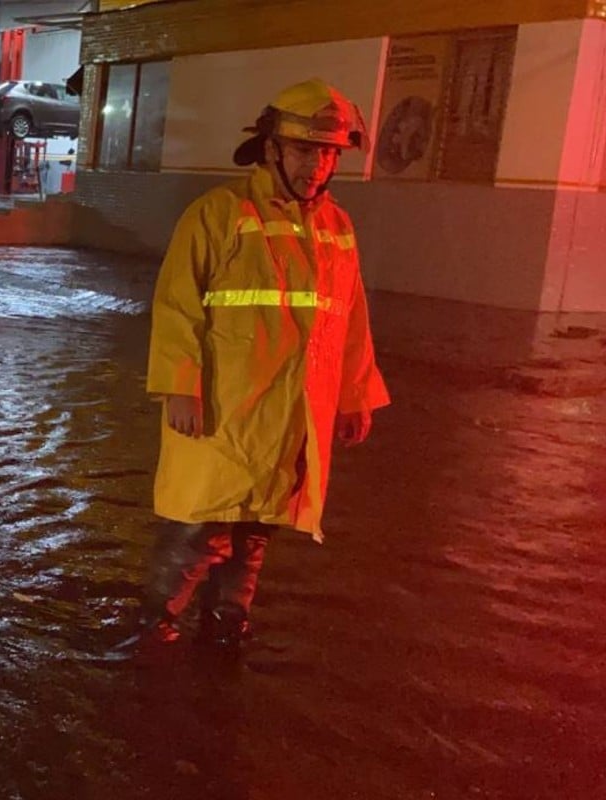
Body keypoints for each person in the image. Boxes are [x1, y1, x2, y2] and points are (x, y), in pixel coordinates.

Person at [142, 79, 391, 651]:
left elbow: (350, 319)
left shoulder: (337, 228)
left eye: (329, 152)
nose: (319, 165)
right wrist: (180, 387)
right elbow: (177, 306)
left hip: (285, 414)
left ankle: (228, 624)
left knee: (258, 523)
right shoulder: (218, 214)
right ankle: (155, 626)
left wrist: (354, 396)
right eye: (306, 150)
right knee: (200, 525)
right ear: (271, 148)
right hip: (221, 409)